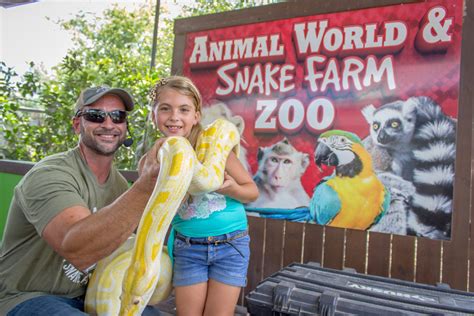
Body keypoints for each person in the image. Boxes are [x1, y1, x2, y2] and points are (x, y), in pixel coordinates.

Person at [0, 85, 164, 315]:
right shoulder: (49, 174)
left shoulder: (119, 187)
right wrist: (146, 185)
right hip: (26, 296)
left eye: (118, 116)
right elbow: (78, 250)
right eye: (95, 116)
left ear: (125, 127)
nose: (108, 124)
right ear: (77, 124)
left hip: (89, 296)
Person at [149, 76, 259, 316]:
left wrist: (229, 188)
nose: (174, 116)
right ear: (154, 115)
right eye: (165, 108)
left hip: (231, 244)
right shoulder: (157, 157)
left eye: (184, 109)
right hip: (189, 247)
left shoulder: (214, 150)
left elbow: (251, 192)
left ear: (196, 116)